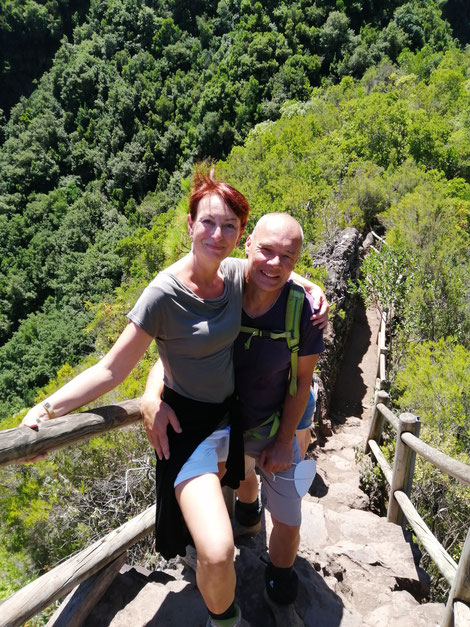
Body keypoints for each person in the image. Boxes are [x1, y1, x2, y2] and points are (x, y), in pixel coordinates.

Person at [21, 168, 327, 627]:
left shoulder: (234, 277)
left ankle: (254, 568)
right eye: (207, 222)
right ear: (189, 224)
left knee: (264, 516)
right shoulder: (163, 292)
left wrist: (308, 284)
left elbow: (273, 265)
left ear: (239, 236)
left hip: (233, 418)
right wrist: (47, 409)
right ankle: (225, 618)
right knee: (217, 549)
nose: (217, 233)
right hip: (190, 428)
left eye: (228, 226)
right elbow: (110, 368)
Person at [143, 213, 326, 626]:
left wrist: (283, 441)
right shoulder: (220, 292)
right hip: (229, 424)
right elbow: (175, 353)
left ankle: (279, 576)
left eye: (287, 256)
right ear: (246, 246)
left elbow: (302, 380)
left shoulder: (303, 310)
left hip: (279, 422)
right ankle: (245, 518)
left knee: (289, 515)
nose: (275, 263)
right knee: (236, 476)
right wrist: (149, 395)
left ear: (297, 261)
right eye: (266, 250)